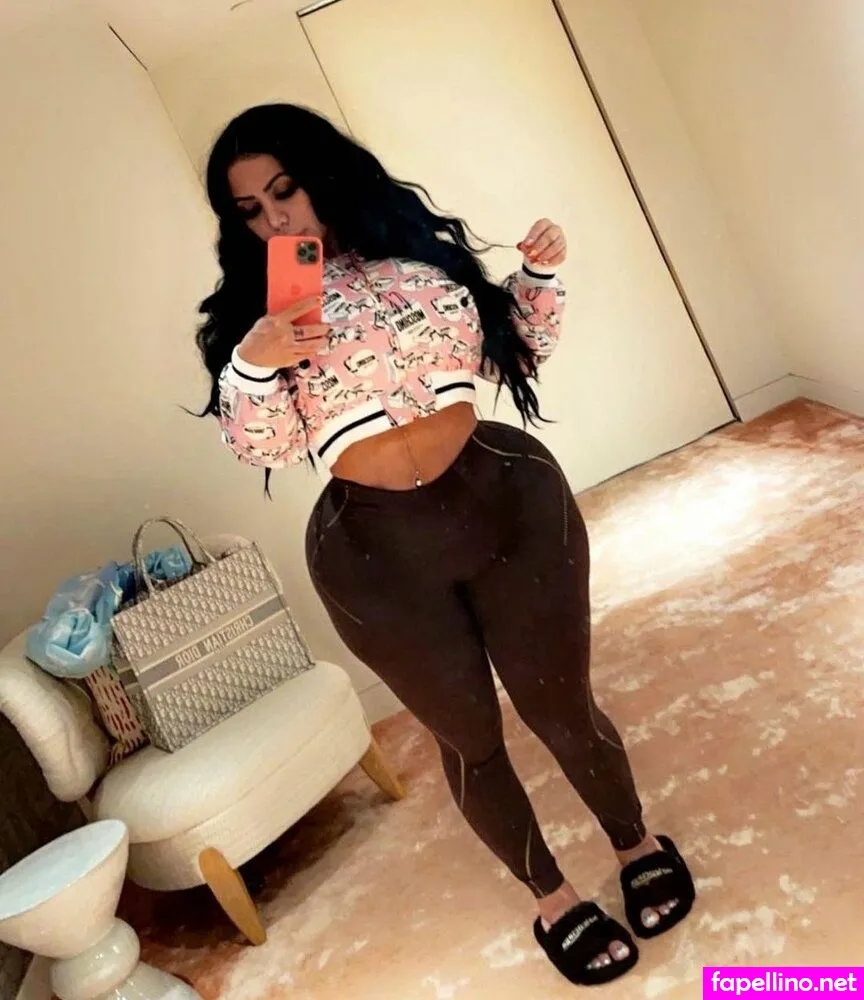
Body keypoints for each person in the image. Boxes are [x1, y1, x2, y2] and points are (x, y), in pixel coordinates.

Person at [195, 103, 695, 986]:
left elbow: (518, 353)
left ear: (323, 175)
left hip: (506, 505)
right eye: (250, 210)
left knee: (561, 706)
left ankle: (635, 843)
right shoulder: (258, 315)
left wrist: (540, 274)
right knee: (469, 737)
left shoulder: (419, 265)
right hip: (374, 559)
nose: (274, 218)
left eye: (285, 190)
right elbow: (265, 445)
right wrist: (256, 361)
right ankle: (551, 895)